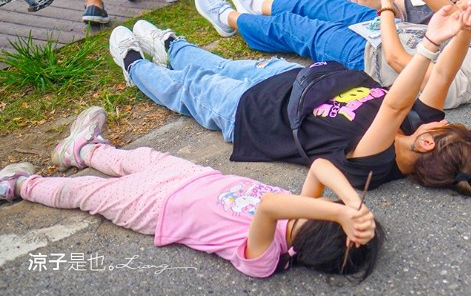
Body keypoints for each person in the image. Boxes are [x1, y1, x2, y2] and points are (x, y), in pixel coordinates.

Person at [110, 5, 471, 194]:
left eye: (442, 127)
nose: (436, 118)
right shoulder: (417, 123)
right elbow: (442, 74)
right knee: (217, 63)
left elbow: (393, 105)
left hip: (253, 114)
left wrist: (430, 42)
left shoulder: (376, 165)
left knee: (188, 89)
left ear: (428, 142)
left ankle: (132, 64)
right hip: (289, 80)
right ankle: (172, 45)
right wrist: (465, 26)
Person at [0, 106, 382, 280]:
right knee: (137, 157)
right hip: (190, 176)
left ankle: (19, 185)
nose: (327, 204)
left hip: (157, 208)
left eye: (328, 211)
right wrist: (351, 202)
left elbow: (267, 205)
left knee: (86, 192)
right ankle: (84, 149)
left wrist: (336, 214)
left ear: (316, 235)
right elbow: (319, 168)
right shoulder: (309, 210)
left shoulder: (267, 259)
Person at [195, 0, 471, 112]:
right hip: (381, 27)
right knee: (319, 4)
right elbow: (453, 15)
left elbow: (396, 58)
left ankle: (228, 19)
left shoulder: (458, 87)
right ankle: (254, 7)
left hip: (366, 54)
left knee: (297, 30)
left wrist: (388, 6)